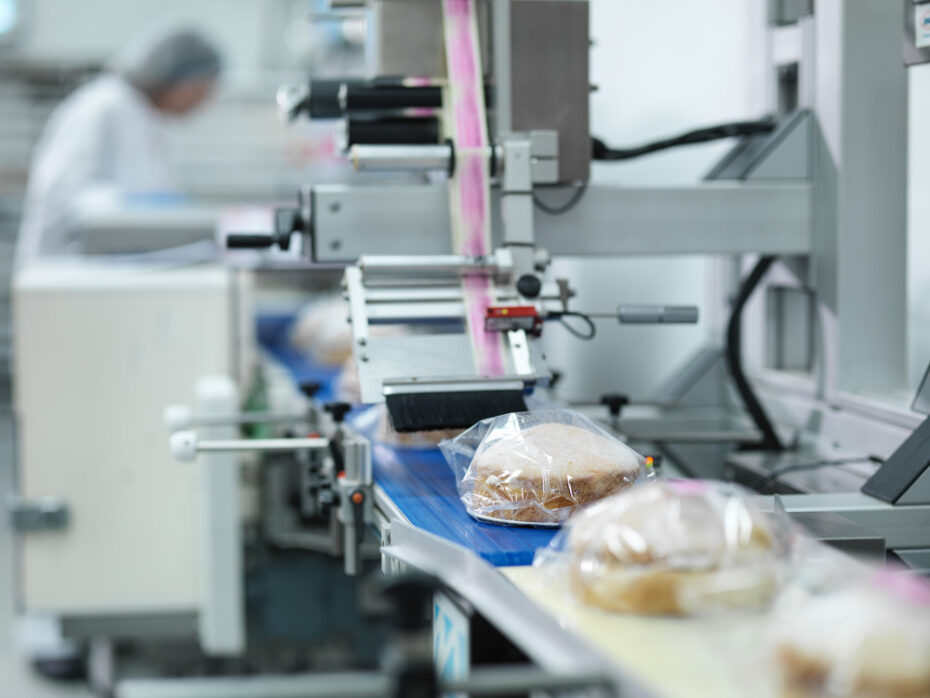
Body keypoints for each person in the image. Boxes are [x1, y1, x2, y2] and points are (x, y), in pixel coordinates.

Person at [16, 26, 222, 264]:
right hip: (64, 264)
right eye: (200, 89)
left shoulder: (146, 118)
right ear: (175, 77)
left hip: (113, 268)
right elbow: (64, 190)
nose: (202, 102)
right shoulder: (102, 106)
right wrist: (131, 208)